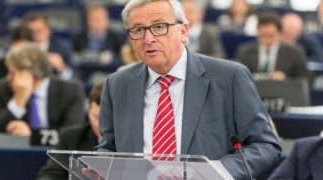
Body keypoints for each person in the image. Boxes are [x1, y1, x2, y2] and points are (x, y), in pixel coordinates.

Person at [96, 0, 281, 179]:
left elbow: (265, 145)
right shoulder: (116, 85)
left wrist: (217, 172)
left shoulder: (230, 77)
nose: (148, 39)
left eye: (159, 27)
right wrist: (99, 166)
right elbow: (108, 148)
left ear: (184, 31)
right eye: (138, 30)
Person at [0, 43, 84, 137]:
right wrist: (18, 101)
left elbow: (72, 135)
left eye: (13, 73)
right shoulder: (2, 88)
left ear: (33, 74)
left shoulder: (70, 91)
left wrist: (33, 136)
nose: (8, 77)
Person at [36, 82, 103, 180]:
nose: (99, 124)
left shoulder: (131, 140)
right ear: (88, 112)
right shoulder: (71, 138)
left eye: (106, 119)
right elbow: (52, 173)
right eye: (96, 117)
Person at [236, 12, 309, 81]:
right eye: (262, 36)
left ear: (279, 34)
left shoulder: (294, 52)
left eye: (270, 36)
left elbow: (306, 78)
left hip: (282, 92)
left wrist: (285, 79)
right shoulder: (245, 51)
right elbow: (239, 76)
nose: (266, 40)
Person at [0, 26, 33, 95]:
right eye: (17, 48)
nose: (20, 53)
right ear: (10, 46)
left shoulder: (37, 66)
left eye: (24, 49)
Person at [23, 13, 75, 80]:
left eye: (40, 30)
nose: (37, 34)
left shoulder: (63, 47)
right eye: (33, 31)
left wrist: (61, 68)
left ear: (49, 30)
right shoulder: (21, 49)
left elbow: (75, 78)